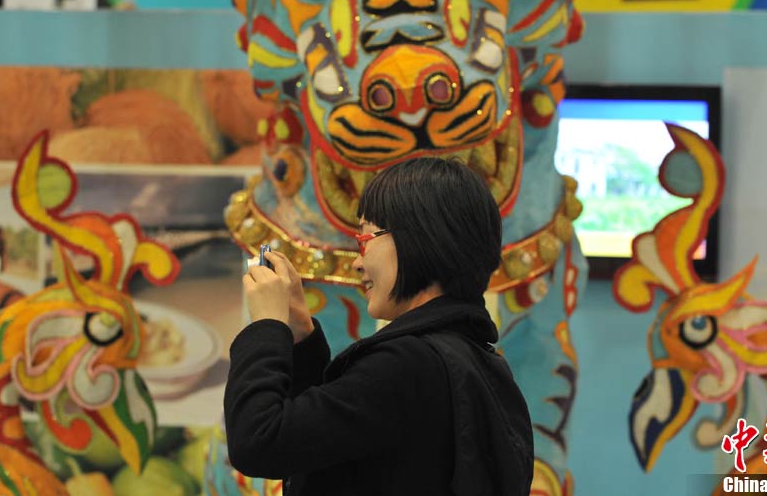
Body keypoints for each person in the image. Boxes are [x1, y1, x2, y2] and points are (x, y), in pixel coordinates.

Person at [224, 157, 534, 496]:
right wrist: (301, 335)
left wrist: (267, 326)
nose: (358, 262)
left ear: (419, 238)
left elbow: (258, 441)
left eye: (365, 239)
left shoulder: (408, 363)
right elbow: (321, 444)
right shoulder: (468, 357)